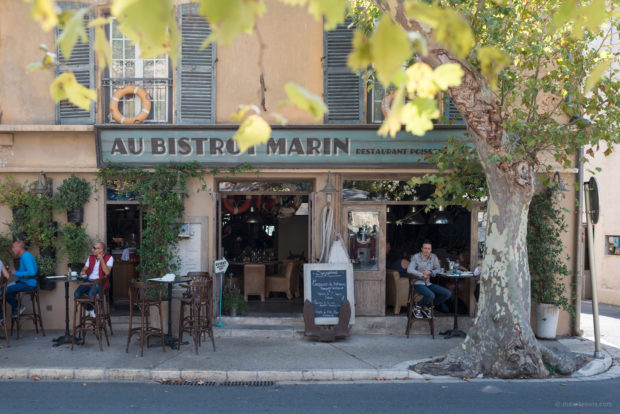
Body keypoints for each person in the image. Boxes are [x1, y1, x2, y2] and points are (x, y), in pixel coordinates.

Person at [406, 241, 451, 319]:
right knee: (431, 295)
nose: (427, 250)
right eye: (425, 248)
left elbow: (438, 269)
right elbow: (409, 270)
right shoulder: (416, 257)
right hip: (418, 282)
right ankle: (417, 306)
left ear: (431, 249)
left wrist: (430, 272)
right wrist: (421, 275)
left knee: (447, 293)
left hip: (428, 283)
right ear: (422, 249)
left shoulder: (434, 257)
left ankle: (426, 306)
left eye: (428, 248)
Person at [1, 241, 38, 322]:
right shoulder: (23, 256)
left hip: (29, 284)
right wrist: (15, 271)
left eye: (14, 247)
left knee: (3, 291)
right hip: (24, 282)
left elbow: (32, 272)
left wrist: (16, 273)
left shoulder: (26, 256)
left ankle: (18, 307)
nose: (12, 249)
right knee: (5, 289)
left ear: (19, 247)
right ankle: (16, 308)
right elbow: (25, 271)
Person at [76, 241, 113, 318]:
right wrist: (83, 271)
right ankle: (89, 309)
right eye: (92, 248)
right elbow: (84, 268)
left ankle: (91, 310)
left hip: (100, 283)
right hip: (89, 281)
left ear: (101, 250)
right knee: (76, 294)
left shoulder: (109, 258)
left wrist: (102, 260)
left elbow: (107, 273)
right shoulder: (90, 257)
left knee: (91, 293)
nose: (92, 250)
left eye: (94, 248)